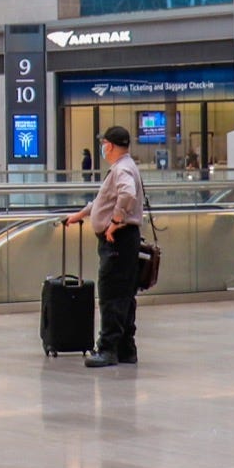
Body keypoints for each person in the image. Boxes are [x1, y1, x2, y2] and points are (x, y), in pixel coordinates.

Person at [62, 124, 142, 369]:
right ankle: (126, 348)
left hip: (118, 240)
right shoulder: (122, 168)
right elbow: (102, 201)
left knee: (111, 294)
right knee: (124, 294)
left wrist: (115, 222)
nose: (102, 147)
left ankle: (107, 349)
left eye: (104, 143)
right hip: (123, 239)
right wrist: (81, 214)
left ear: (111, 145)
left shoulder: (122, 170)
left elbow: (127, 195)